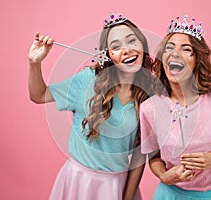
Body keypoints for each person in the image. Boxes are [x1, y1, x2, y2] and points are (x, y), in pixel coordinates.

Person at [28, 12, 153, 200]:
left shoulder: (150, 93)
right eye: (116, 46)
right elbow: (38, 95)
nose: (126, 50)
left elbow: (139, 155)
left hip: (116, 185)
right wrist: (34, 63)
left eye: (131, 41)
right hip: (78, 181)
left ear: (142, 46)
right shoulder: (88, 81)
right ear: (108, 55)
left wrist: (127, 197)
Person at [140, 15, 211, 199]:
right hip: (170, 195)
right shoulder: (149, 108)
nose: (175, 54)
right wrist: (165, 176)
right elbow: (153, 156)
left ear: (197, 59)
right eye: (169, 48)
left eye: (186, 49)